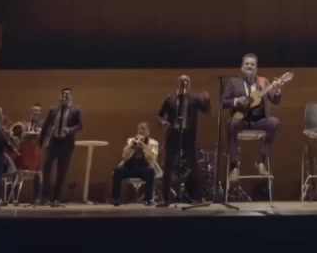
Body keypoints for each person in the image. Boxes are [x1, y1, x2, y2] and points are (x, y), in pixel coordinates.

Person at [221, 54, 285, 182]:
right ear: (242, 67)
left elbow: (275, 101)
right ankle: (234, 167)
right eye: (247, 64)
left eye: (252, 64)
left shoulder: (263, 82)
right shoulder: (233, 82)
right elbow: (223, 102)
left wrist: (277, 89)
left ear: (256, 68)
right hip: (241, 121)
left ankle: (260, 161)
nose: (249, 66)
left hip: (259, 121)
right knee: (232, 123)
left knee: (274, 122)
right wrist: (237, 101)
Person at [156, 75, 210, 205]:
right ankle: (165, 199)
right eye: (182, 81)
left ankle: (198, 197)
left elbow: (206, 111)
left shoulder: (195, 99)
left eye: (187, 81)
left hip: (189, 137)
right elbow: (159, 115)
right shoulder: (170, 99)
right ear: (178, 83)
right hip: (173, 135)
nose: (184, 83)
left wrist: (207, 100)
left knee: (194, 167)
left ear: (189, 84)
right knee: (168, 167)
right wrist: (163, 122)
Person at [37, 87, 83, 207]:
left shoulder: (76, 110)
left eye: (67, 94)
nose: (65, 96)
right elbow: (46, 126)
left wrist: (69, 130)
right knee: (46, 167)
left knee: (61, 172)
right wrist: (41, 143)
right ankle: (45, 196)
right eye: (63, 94)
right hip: (54, 143)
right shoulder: (53, 110)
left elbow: (80, 125)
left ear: (71, 97)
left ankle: (56, 198)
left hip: (66, 144)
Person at [111, 121, 158, 206]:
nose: (141, 130)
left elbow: (153, 157)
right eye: (139, 128)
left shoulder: (153, 143)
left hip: (144, 166)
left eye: (143, 128)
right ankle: (116, 198)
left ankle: (149, 199)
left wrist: (144, 147)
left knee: (151, 172)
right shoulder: (130, 141)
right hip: (131, 166)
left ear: (148, 131)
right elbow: (124, 156)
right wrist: (132, 147)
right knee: (117, 171)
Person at [10, 104, 44, 202]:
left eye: (38, 111)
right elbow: (15, 135)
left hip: (36, 154)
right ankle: (13, 197)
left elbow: (46, 137)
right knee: (16, 173)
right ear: (30, 112)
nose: (37, 113)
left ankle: (37, 198)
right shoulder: (24, 123)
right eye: (35, 110)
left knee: (37, 174)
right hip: (24, 154)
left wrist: (40, 133)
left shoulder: (43, 124)